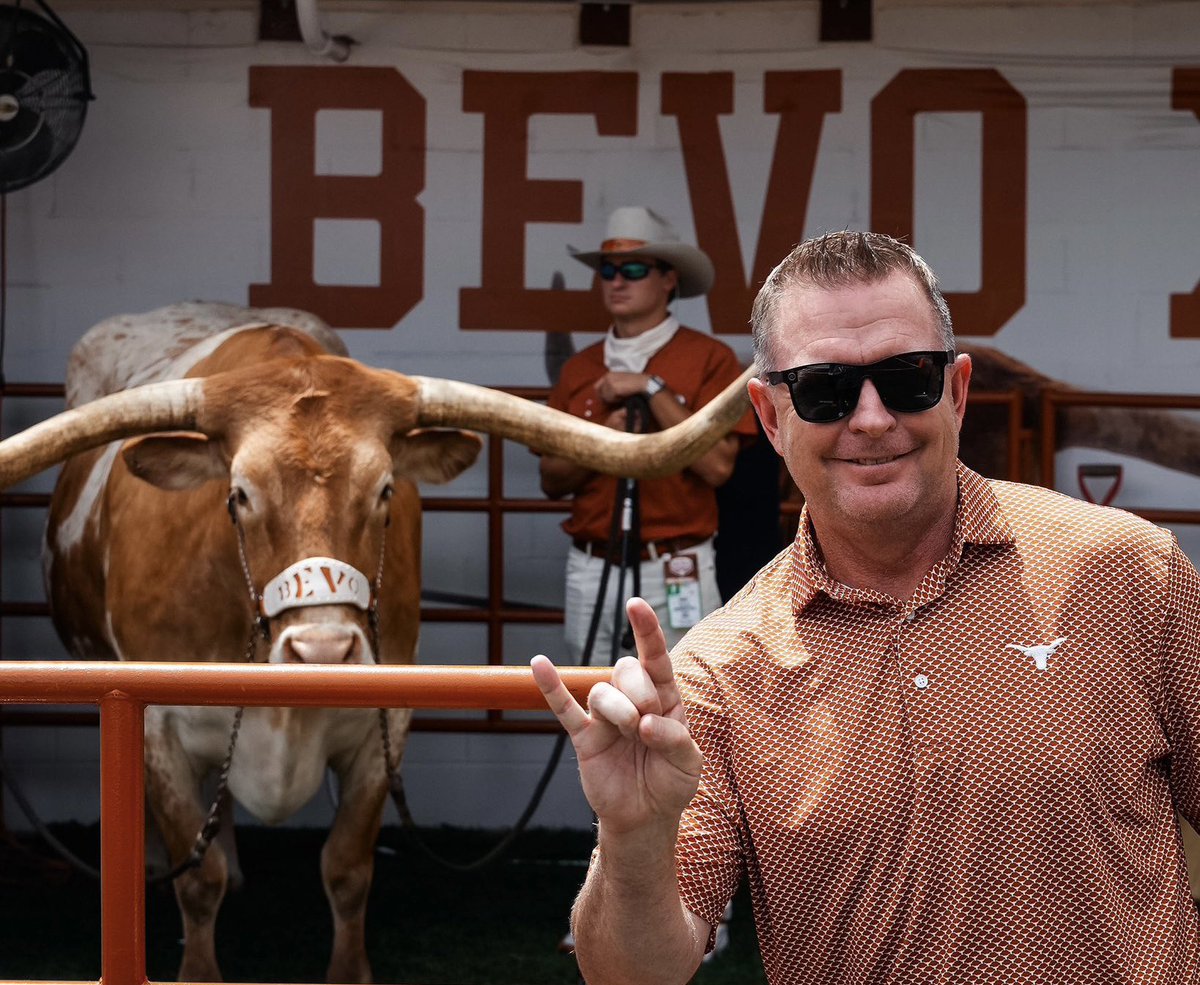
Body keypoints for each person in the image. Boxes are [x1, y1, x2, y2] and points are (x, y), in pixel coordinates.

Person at [532, 230, 1200, 984]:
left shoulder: (1127, 571)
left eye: (909, 377)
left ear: (956, 389)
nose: (873, 418)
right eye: (825, 388)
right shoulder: (719, 670)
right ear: (770, 415)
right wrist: (632, 837)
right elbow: (633, 975)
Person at [539, 205, 756, 663]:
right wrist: (603, 439)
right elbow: (552, 480)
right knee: (591, 699)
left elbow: (718, 467)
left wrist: (649, 388)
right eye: (608, 270)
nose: (617, 281)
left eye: (634, 269)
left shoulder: (709, 358)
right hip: (592, 562)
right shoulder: (580, 369)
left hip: (677, 562)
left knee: (689, 695)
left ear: (668, 279)